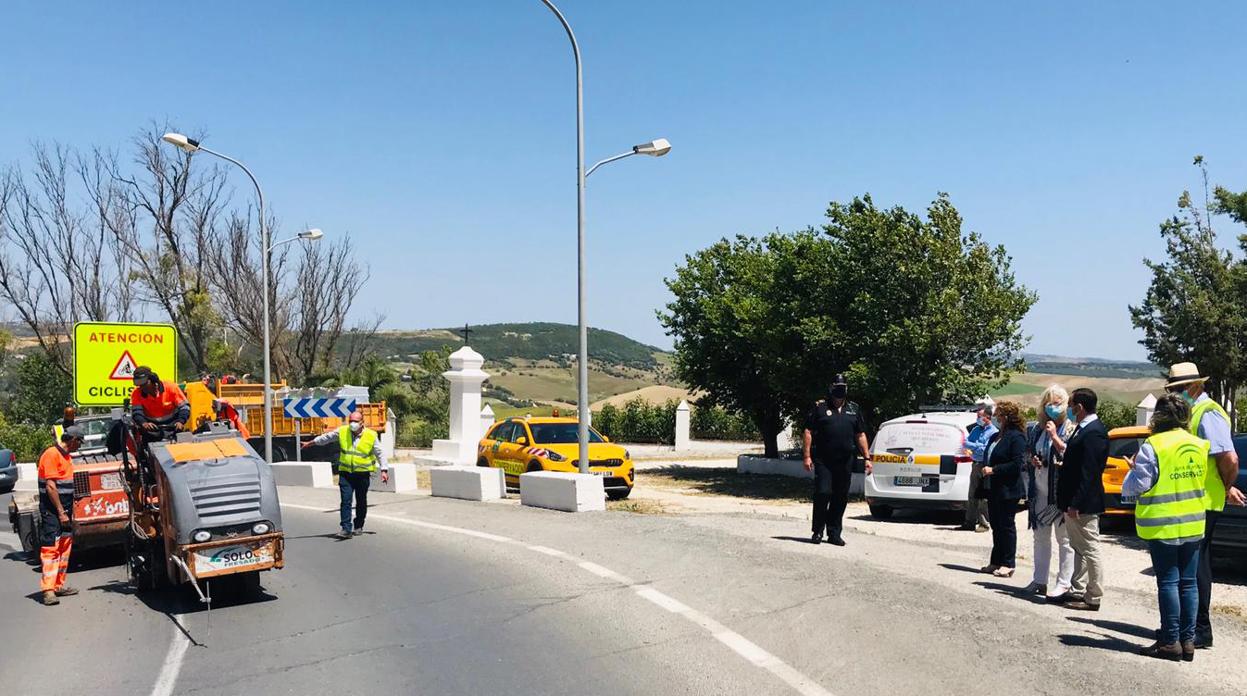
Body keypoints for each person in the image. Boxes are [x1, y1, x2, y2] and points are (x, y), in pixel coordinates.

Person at [1161, 362, 1245, 648]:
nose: (1177, 394)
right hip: (1196, 500)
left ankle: (1199, 629)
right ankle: (1191, 628)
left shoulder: (1207, 413)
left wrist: (1224, 486)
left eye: (1180, 389)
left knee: (1196, 566)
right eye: (1174, 389)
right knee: (1192, 565)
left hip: (1205, 500)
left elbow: (1229, 458)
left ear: (1196, 386)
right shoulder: (1194, 412)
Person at [1122, 393, 1209, 661]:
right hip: (1193, 521)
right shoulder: (1198, 444)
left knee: (1169, 582)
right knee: (1189, 583)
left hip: (1163, 523)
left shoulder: (1154, 445)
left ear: (1158, 416)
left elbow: (1140, 484)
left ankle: (1170, 641)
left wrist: (1131, 471)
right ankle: (1188, 640)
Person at [1051, 388, 1108, 611]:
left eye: (1072, 405)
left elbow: (1090, 472)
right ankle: (1077, 589)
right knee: (1079, 548)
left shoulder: (1094, 432)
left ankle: (1093, 596)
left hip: (1083, 504)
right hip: (1074, 501)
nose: (1070, 410)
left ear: (1080, 407)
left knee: (1091, 549)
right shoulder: (1083, 429)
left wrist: (1076, 502)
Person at [802, 374, 872, 546]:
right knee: (823, 493)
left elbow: (860, 434)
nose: (840, 389)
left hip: (846, 461)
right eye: (837, 386)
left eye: (843, 386)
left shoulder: (854, 409)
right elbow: (808, 432)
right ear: (831, 387)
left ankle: (834, 533)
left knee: (840, 497)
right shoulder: (820, 407)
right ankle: (817, 531)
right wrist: (807, 456)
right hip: (824, 460)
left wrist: (867, 458)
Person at [303, 411, 390, 539]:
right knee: (346, 500)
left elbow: (380, 452)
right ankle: (346, 529)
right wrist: (311, 443)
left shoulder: (371, 435)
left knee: (361, 501)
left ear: (362, 423)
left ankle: (359, 525)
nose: (352, 424)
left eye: (355, 421)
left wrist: (384, 470)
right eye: (350, 421)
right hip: (346, 473)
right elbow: (327, 438)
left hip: (362, 474)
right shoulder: (343, 431)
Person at [1024, 386, 1076, 597]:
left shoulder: (1071, 428)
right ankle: (1039, 579)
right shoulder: (1037, 429)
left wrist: (1054, 436)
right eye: (1048, 402)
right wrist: (1033, 459)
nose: (1052, 407)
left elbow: (1071, 455)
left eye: (1056, 403)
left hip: (1060, 491)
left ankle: (1064, 582)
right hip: (1040, 489)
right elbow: (1028, 452)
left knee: (1064, 540)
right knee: (1040, 537)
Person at [37, 425, 86, 606]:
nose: (79, 446)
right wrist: (61, 512)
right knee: (51, 547)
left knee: (64, 546)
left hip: (64, 508)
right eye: (79, 442)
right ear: (72, 439)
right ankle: (48, 590)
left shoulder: (67, 457)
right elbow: (51, 487)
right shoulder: (51, 454)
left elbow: (66, 487)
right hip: (52, 509)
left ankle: (58, 585)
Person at [980, 401, 1027, 577]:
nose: (996, 418)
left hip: (1008, 489)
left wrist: (995, 470)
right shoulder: (995, 436)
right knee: (996, 526)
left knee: (1007, 526)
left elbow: (1017, 464)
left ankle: (1008, 563)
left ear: (1006, 417)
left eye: (999, 415)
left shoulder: (1016, 437)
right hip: (993, 488)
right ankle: (996, 561)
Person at [961, 403, 997, 532]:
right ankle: (969, 522)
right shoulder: (976, 430)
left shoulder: (993, 432)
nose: (978, 419)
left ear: (988, 417)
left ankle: (984, 523)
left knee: (983, 497)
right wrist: (973, 446)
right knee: (972, 495)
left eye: (980, 416)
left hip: (985, 465)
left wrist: (973, 446)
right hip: (975, 464)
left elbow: (985, 450)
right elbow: (965, 444)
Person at [130, 366, 190, 434]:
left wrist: (181, 421)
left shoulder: (170, 387)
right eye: (140, 385)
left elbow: (184, 407)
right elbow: (137, 412)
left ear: (152, 379)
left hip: (174, 426)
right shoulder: (136, 393)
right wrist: (144, 423)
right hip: (152, 430)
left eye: (145, 384)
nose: (142, 387)